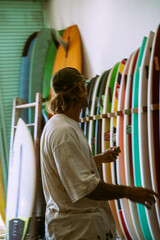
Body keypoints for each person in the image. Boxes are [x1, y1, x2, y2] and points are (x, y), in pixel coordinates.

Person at [40, 67, 159, 240]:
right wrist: (130, 192)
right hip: (77, 231)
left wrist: (99, 158)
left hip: (76, 227)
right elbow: (87, 188)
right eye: (84, 85)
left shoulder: (58, 125)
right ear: (79, 88)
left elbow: (66, 169)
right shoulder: (64, 131)